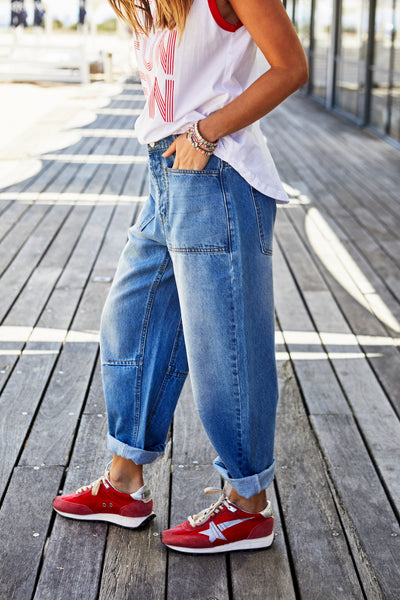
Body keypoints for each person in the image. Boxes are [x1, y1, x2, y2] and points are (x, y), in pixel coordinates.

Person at [53, 0, 308, 554]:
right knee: (132, 322)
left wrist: (204, 133)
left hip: (216, 171)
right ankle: (124, 483)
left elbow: (291, 68)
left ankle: (246, 507)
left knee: (225, 348)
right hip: (168, 174)